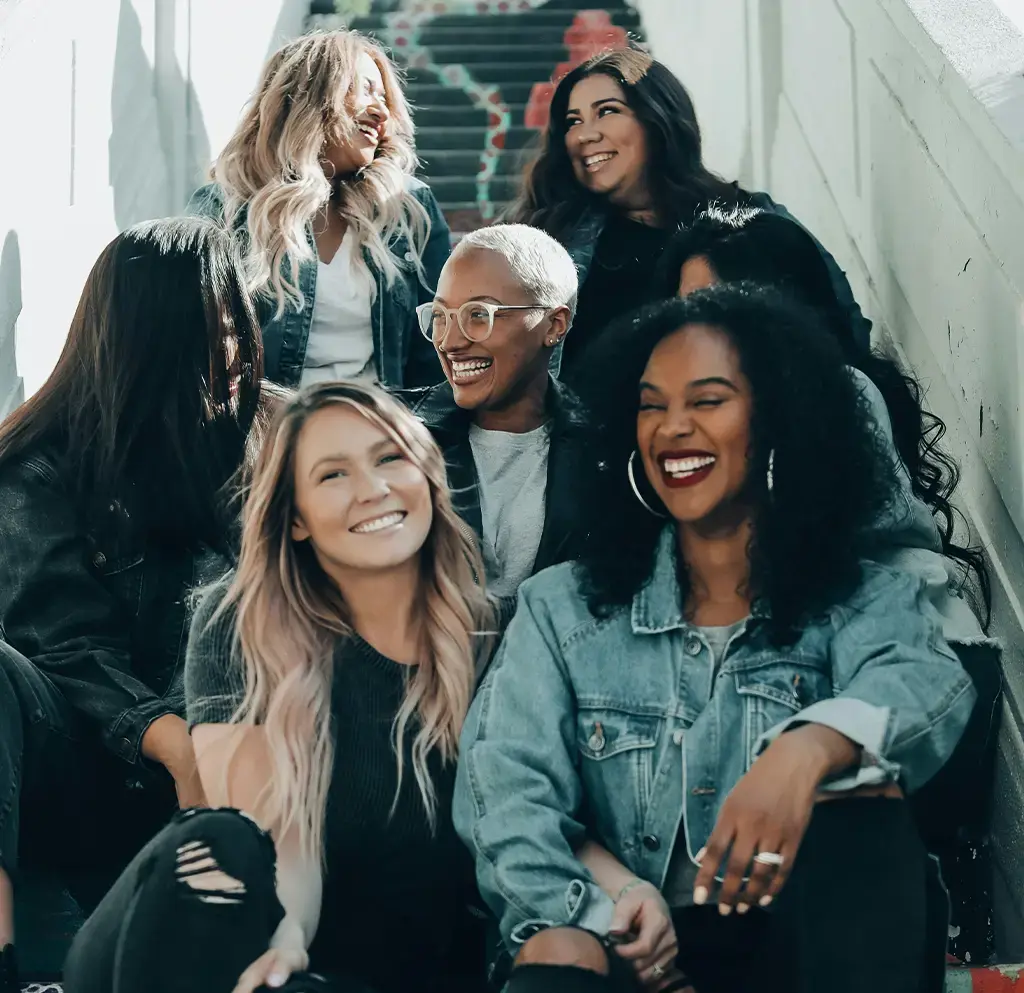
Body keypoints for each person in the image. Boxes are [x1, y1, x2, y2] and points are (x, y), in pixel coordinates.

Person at [454, 287, 974, 993]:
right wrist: (612, 913)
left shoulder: (862, 599)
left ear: (779, 421)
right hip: (626, 951)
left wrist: (809, 747)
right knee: (557, 946)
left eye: (707, 400)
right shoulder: (563, 608)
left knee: (864, 815)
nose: (673, 427)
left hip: (800, 954)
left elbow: (924, 680)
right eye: (651, 405)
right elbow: (504, 798)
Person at [653, 202, 1001, 962]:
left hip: (907, 669)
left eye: (719, 305)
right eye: (685, 309)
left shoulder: (831, 391)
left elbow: (806, 562)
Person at [63, 382, 494, 993]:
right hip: (250, 948)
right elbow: (274, 841)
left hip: (399, 973)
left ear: (427, 474)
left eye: (390, 458)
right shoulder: (243, 626)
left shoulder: (500, 638)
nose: (372, 488)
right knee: (216, 842)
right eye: (333, 475)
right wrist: (288, 936)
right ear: (295, 520)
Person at [0, 217, 266, 989]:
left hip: (244, 752)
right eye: (213, 334)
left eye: (238, 328)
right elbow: (66, 647)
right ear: (148, 343)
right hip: (91, 764)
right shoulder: (37, 466)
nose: (235, 354)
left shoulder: (269, 436)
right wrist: (177, 744)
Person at [508, 47, 868, 384]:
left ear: (656, 118)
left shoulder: (755, 223)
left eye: (607, 111)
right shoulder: (550, 239)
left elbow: (839, 331)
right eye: (573, 121)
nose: (585, 135)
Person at [188, 30, 450, 390]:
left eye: (384, 98)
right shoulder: (224, 208)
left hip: (379, 419)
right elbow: (194, 344)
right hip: (268, 421)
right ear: (310, 96)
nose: (382, 112)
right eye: (366, 90)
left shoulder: (407, 209)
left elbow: (436, 353)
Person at [396, 223, 582, 601]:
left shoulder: (603, 450)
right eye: (441, 316)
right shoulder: (394, 434)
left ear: (554, 325)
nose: (449, 342)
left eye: (478, 315)